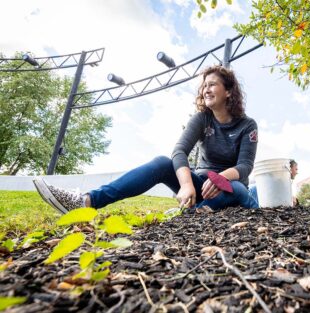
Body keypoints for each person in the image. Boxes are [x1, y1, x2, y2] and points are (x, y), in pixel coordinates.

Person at [33, 65, 259, 214]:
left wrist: (219, 179)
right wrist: (188, 184)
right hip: (200, 187)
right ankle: (86, 202)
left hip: (230, 190)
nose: (205, 90)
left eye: (212, 84)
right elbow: (179, 151)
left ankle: (195, 212)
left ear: (228, 91)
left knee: (238, 189)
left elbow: (244, 166)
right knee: (162, 162)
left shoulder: (247, 125)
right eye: (204, 86)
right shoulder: (201, 119)